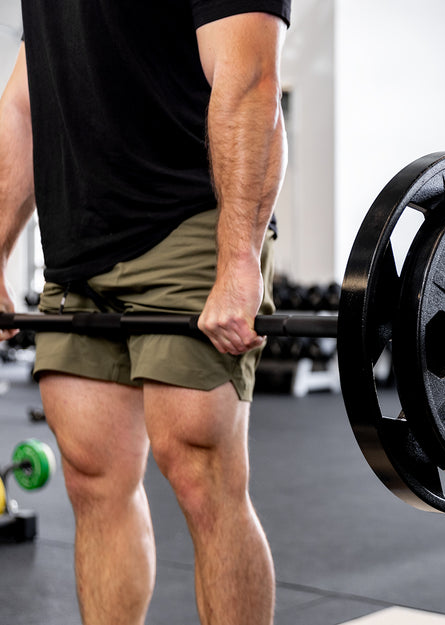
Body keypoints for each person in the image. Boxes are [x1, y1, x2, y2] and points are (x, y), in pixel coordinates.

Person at [0, 2, 291, 624]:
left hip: (188, 220)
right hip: (78, 239)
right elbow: (27, 103)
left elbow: (249, 79)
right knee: (90, 474)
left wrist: (238, 260)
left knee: (200, 473)